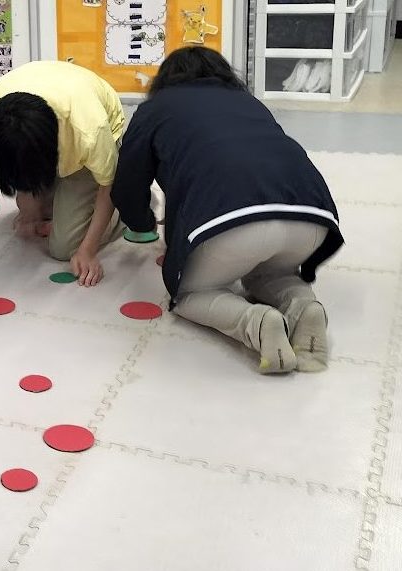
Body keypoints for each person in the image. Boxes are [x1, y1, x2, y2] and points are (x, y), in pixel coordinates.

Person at [112, 47, 343, 374]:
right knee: (271, 273)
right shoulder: (248, 102)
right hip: (312, 217)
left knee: (191, 294)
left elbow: (127, 183)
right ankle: (304, 307)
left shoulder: (155, 109)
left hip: (229, 221)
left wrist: (143, 222)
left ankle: (256, 323)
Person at [0, 60, 127, 287]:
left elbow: (107, 185)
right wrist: (29, 209)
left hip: (90, 138)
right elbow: (12, 161)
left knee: (64, 247)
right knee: (34, 211)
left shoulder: (90, 131)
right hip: (55, 125)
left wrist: (88, 251)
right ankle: (56, 200)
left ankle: (126, 210)